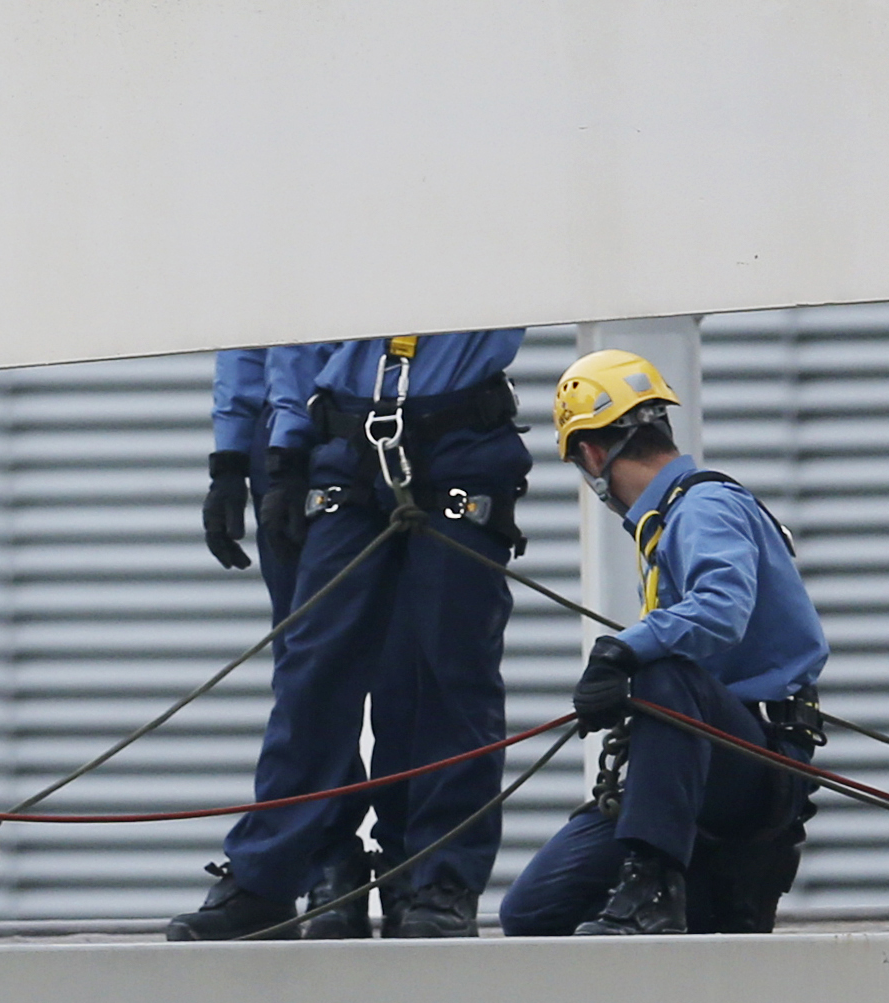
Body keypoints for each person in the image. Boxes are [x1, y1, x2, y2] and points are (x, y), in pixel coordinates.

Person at [169, 331, 529, 941]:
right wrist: (275, 456)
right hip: (343, 444)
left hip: (459, 440)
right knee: (313, 671)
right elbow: (289, 334)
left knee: (449, 674)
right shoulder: (331, 246)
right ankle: (270, 875)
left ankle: (435, 879)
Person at [500, 350, 827, 936]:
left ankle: (652, 885)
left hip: (755, 763)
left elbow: (721, 611)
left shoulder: (703, 508)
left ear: (593, 455)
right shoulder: (670, 523)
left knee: (664, 673)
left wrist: (622, 651)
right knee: (531, 911)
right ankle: (679, 887)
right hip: (698, 762)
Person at [204, 343, 396, 936]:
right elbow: (250, 335)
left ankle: (398, 867)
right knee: (306, 668)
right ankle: (329, 856)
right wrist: (231, 457)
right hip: (287, 442)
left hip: (374, 424)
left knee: (385, 663)